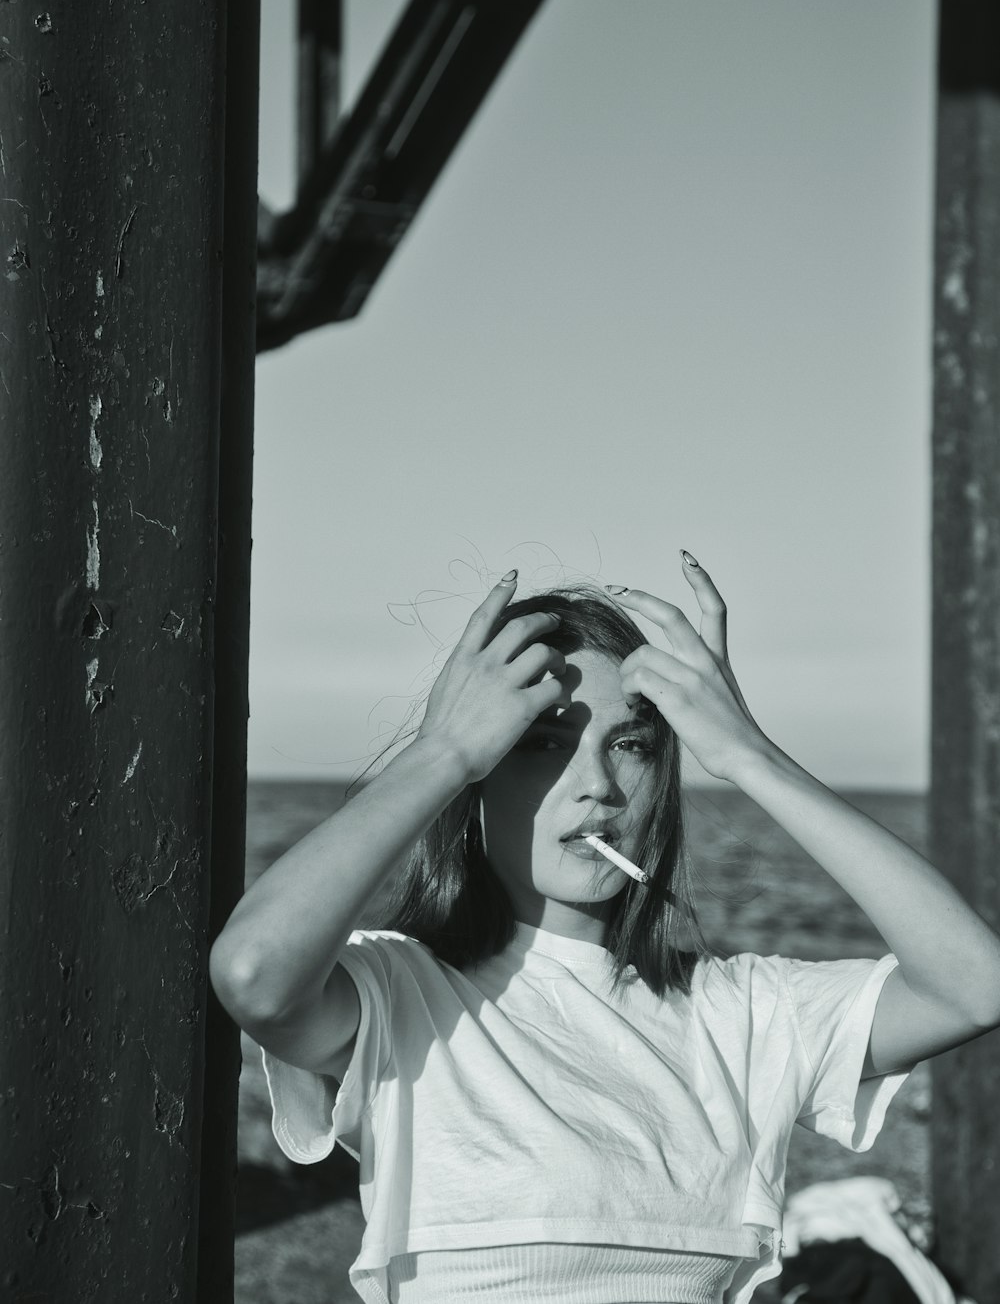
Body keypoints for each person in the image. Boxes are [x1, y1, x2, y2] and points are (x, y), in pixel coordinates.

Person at [210, 553, 1000, 1304]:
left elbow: (974, 985)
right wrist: (443, 749)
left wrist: (750, 756)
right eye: (542, 744)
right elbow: (254, 972)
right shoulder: (400, 996)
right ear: (478, 776)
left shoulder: (740, 1014)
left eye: (629, 744)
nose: (596, 787)